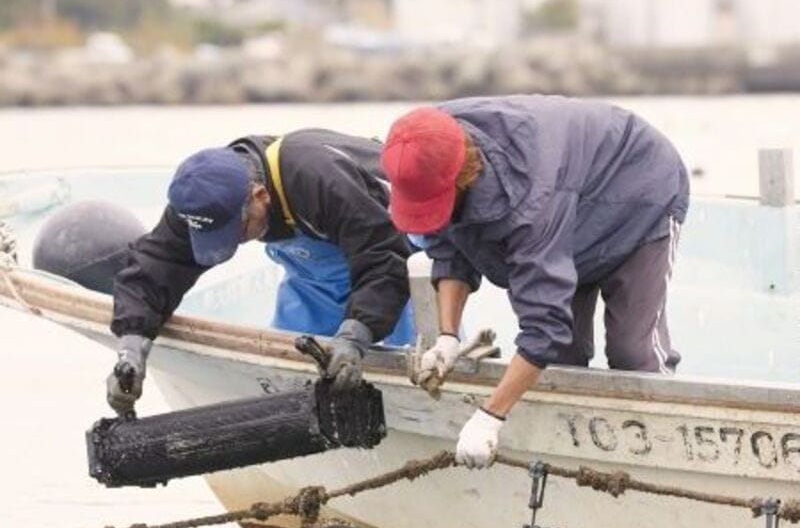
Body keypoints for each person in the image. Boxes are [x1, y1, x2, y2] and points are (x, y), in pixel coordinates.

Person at [381, 95, 689, 469]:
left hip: (639, 192)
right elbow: (449, 245)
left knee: (632, 353)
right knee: (562, 361)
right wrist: (447, 337)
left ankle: (656, 456)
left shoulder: (530, 202)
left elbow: (544, 327)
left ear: (462, 178)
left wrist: (490, 416)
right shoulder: (424, 144)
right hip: (571, 201)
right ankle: (573, 461)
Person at [106, 129, 415, 415]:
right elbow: (156, 266)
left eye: (238, 231)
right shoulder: (201, 198)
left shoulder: (320, 179)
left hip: (395, 250)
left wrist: (356, 338)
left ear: (259, 196)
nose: (235, 241)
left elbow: (384, 259)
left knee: (389, 356)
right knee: (291, 365)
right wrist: (132, 347)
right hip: (315, 280)